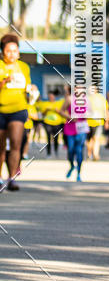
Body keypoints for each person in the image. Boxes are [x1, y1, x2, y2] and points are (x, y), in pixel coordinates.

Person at [0, 33, 34, 191]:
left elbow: (27, 88)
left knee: (16, 144)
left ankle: (12, 178)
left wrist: (32, 90)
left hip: (18, 110)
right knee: (0, 146)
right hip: (0, 109)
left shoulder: (24, 67)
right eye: (8, 51)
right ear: (2, 52)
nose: (12, 54)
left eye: (15, 50)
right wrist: (5, 81)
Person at [59, 85, 89, 182]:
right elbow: (61, 111)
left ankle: (79, 174)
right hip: (70, 128)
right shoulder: (69, 99)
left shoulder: (86, 100)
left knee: (79, 150)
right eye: (77, 88)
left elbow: (91, 112)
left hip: (81, 128)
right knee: (71, 150)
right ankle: (72, 166)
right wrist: (70, 117)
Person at [86, 87, 109, 161]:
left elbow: (106, 110)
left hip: (98, 122)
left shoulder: (101, 98)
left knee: (96, 138)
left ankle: (95, 154)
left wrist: (107, 122)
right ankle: (89, 154)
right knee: (89, 140)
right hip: (88, 122)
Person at [38, 90, 64, 157]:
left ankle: (56, 152)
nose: (51, 97)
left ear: (54, 96)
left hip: (57, 123)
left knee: (56, 138)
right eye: (49, 96)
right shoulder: (45, 104)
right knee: (48, 138)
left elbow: (62, 112)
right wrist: (46, 110)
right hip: (48, 123)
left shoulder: (59, 103)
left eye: (52, 96)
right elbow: (42, 114)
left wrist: (57, 110)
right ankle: (49, 153)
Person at [21, 84, 40, 161]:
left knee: (26, 141)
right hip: (20, 125)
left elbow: (36, 117)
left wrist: (28, 115)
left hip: (28, 126)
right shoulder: (22, 104)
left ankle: (24, 154)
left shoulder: (31, 106)